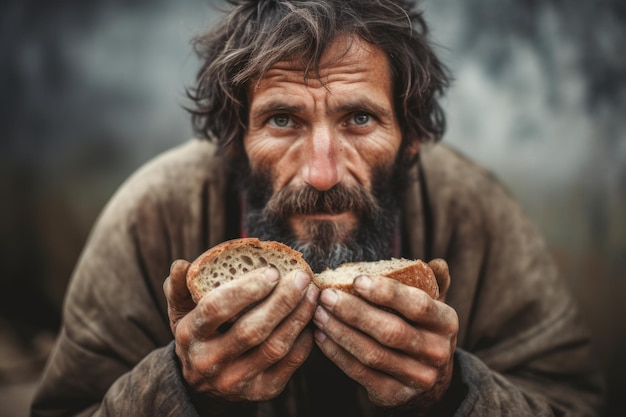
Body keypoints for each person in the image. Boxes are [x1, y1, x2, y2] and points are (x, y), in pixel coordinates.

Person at [31, 0, 605, 416]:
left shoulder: (475, 212)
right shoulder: (151, 214)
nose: (322, 173)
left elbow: (571, 400)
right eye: (283, 119)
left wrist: (453, 393)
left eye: (360, 118)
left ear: (412, 138)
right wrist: (181, 391)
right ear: (233, 141)